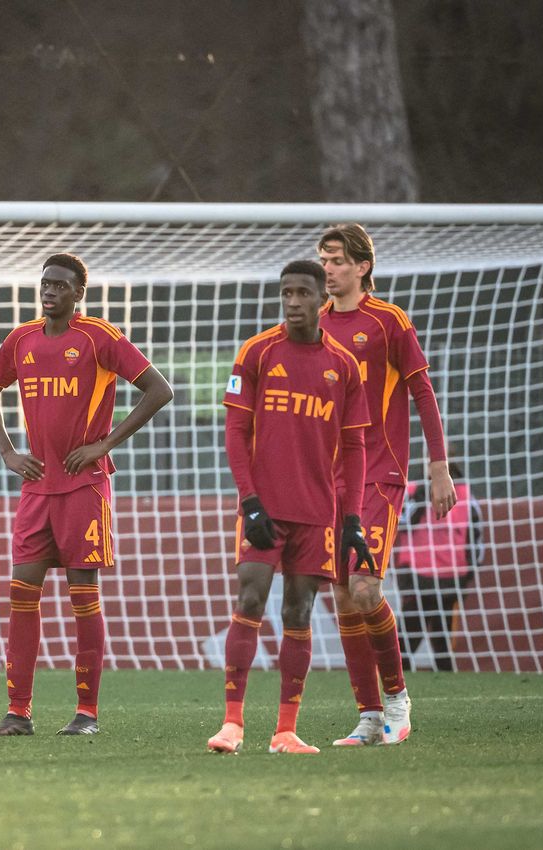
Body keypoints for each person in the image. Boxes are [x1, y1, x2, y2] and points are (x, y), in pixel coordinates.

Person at [0, 253, 172, 736]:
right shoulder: (20, 339)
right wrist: (7, 452)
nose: (50, 292)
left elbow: (158, 390)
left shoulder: (98, 337)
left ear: (78, 293)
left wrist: (105, 444)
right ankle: (17, 713)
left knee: (83, 595)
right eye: (45, 284)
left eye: (61, 285)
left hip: (85, 486)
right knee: (22, 591)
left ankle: (87, 714)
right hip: (36, 488)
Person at [207, 260, 372, 755]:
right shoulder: (258, 352)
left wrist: (353, 520)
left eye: (303, 292)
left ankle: (285, 731)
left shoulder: (343, 365)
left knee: (299, 611)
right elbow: (236, 432)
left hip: (317, 513)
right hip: (264, 509)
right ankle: (232, 724)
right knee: (251, 598)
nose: (293, 301)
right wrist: (249, 500)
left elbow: (355, 449)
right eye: (286, 293)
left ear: (322, 297)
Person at [317, 222, 456, 746]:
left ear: (362, 267)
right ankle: (369, 716)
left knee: (365, 587)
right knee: (340, 594)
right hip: (325, 479)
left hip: (379, 474)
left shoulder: (387, 321)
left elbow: (422, 391)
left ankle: (398, 701)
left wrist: (437, 465)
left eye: (337, 261)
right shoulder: (312, 324)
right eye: (324, 260)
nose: (328, 269)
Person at [396, 461, 483, 671]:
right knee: (437, 635)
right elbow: (477, 541)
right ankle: (441, 674)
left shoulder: (420, 492)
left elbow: (401, 521)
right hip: (446, 577)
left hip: (426, 576)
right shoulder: (467, 498)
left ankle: (397, 680)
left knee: (410, 636)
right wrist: (468, 573)